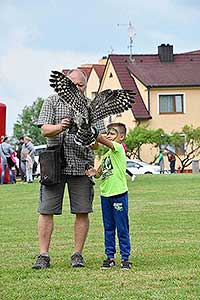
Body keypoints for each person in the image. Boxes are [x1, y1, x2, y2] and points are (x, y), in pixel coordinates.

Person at [32, 69, 105, 269]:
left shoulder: (91, 106)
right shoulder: (52, 101)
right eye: (73, 84)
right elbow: (45, 130)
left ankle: (77, 254)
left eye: (80, 85)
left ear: (85, 86)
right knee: (46, 210)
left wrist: (89, 138)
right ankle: (43, 255)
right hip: (54, 164)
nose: (77, 88)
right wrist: (60, 126)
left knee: (82, 210)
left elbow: (98, 142)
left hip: (81, 165)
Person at [86, 123, 132, 270]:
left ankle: (125, 258)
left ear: (121, 137)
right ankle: (110, 257)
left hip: (118, 194)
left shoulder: (118, 149)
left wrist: (92, 131)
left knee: (122, 227)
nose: (108, 136)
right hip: (106, 195)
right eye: (108, 133)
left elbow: (103, 140)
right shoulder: (106, 155)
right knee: (108, 227)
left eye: (112, 134)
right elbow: (99, 173)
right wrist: (94, 172)